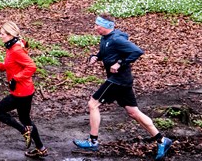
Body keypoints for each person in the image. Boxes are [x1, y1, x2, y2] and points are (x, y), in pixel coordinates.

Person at [73, 13, 173, 160]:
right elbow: (105, 52)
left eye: (97, 25)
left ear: (106, 26)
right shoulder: (106, 38)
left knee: (93, 104)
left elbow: (137, 51)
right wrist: (96, 57)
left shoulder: (117, 39)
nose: (95, 28)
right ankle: (162, 140)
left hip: (118, 80)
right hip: (122, 82)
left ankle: (92, 141)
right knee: (134, 112)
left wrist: (120, 63)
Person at [0, 21, 48, 158]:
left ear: (10, 34)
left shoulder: (16, 50)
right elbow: (10, 65)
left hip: (21, 92)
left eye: (2, 34)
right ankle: (40, 148)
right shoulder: (12, 47)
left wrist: (15, 79)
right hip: (24, 91)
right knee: (26, 119)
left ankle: (24, 132)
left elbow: (31, 66)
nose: (0, 36)